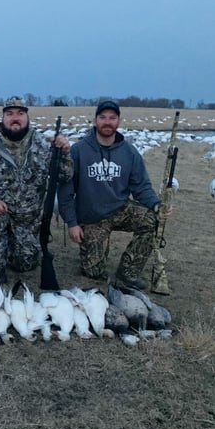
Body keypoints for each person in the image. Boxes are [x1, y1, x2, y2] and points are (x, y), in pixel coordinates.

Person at [0, 95, 73, 283]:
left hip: (29, 220)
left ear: (27, 116)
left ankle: (15, 248)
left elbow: (65, 176)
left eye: (20, 113)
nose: (15, 117)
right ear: (3, 117)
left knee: (25, 264)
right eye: (9, 113)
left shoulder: (43, 145)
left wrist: (64, 153)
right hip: (1, 212)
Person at [57, 100, 160, 290]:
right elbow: (65, 190)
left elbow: (141, 186)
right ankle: (95, 254)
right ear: (95, 121)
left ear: (118, 121)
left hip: (120, 208)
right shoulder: (79, 150)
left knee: (152, 220)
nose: (107, 122)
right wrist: (72, 223)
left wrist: (155, 204)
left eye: (112, 118)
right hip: (92, 216)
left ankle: (128, 272)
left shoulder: (129, 152)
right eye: (103, 117)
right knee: (93, 273)